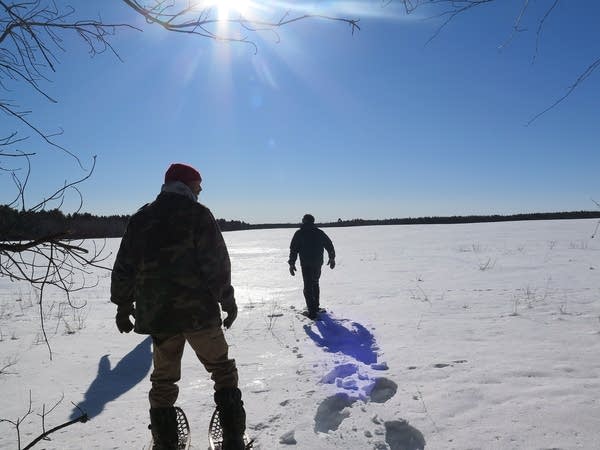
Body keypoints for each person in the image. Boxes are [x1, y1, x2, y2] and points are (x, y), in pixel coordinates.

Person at [110, 163, 246, 450]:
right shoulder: (198, 215)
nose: (201, 189)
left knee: (163, 381)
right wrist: (228, 300)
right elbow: (216, 264)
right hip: (200, 316)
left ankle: (165, 443)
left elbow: (124, 266)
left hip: (160, 317)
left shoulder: (141, 218)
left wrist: (123, 305)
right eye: (198, 184)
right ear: (186, 185)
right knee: (222, 370)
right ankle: (233, 439)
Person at [288, 214, 336, 319]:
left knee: (308, 288)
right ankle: (315, 307)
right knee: (315, 283)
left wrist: (292, 263)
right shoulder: (319, 233)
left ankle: (312, 312)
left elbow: (293, 250)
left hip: (306, 264)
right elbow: (329, 245)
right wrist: (331, 258)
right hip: (317, 263)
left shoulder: (299, 233)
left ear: (304, 221)